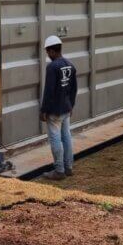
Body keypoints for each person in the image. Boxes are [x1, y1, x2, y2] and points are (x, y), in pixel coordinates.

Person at [40, 35, 77, 181]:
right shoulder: (70, 65)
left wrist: (43, 110)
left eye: (47, 52)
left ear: (51, 50)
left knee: (55, 139)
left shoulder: (52, 67)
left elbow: (48, 91)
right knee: (67, 137)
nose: (48, 55)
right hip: (66, 108)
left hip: (54, 111)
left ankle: (59, 170)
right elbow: (74, 88)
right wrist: (71, 105)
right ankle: (68, 168)